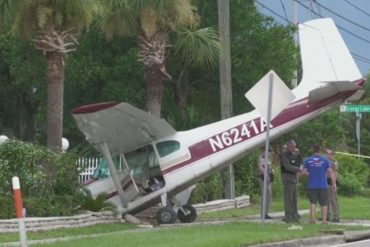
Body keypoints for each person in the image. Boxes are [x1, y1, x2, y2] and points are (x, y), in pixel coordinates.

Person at [301, 144, 336, 224]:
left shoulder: (307, 160)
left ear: (313, 150)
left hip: (312, 185)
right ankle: (324, 220)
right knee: (324, 203)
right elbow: (331, 172)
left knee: (313, 202)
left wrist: (307, 174)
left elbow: (303, 172)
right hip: (323, 185)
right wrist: (333, 183)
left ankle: (313, 219)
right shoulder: (325, 160)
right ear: (320, 151)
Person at [280, 140, 302, 223]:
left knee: (294, 199)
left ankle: (294, 215)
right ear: (288, 146)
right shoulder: (284, 155)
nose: (293, 148)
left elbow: (299, 163)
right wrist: (298, 169)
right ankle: (288, 217)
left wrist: (298, 155)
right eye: (292, 147)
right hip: (287, 179)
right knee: (288, 199)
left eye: (294, 147)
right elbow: (288, 167)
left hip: (294, 179)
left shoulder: (293, 155)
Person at [257, 150, 274, 219]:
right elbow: (260, 168)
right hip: (263, 179)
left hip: (269, 180)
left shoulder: (268, 159)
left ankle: (266, 213)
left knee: (268, 197)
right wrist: (266, 175)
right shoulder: (261, 159)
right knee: (265, 196)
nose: (269, 153)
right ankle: (263, 214)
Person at [326, 149, 340, 222]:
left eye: (331, 154)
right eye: (328, 154)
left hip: (331, 182)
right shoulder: (325, 162)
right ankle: (327, 215)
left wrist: (333, 184)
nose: (329, 155)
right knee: (326, 200)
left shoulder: (334, 162)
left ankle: (336, 216)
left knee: (333, 199)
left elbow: (335, 173)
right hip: (326, 182)